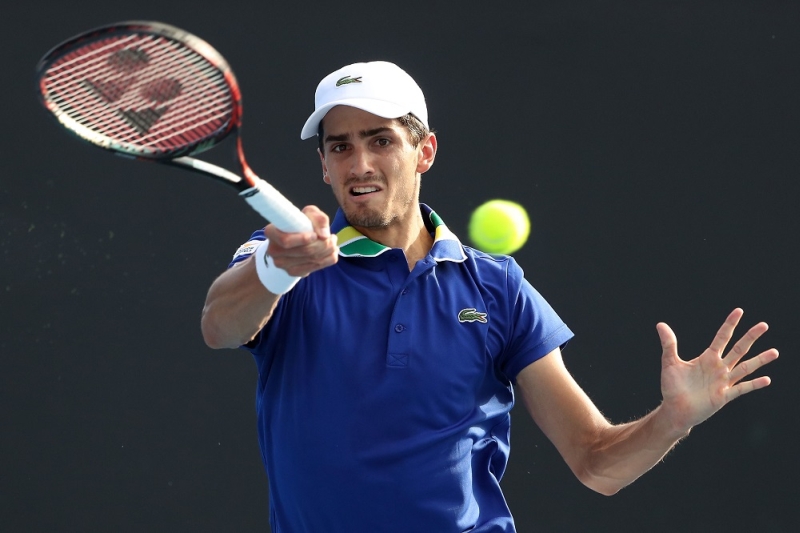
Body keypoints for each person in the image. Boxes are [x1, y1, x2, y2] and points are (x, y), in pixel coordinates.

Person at [200, 61, 778, 532]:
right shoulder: (278, 260)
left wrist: (672, 420)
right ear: (323, 165)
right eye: (341, 147)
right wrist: (278, 266)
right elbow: (220, 325)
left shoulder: (497, 287)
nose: (361, 164)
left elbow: (596, 462)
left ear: (424, 151)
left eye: (381, 141)